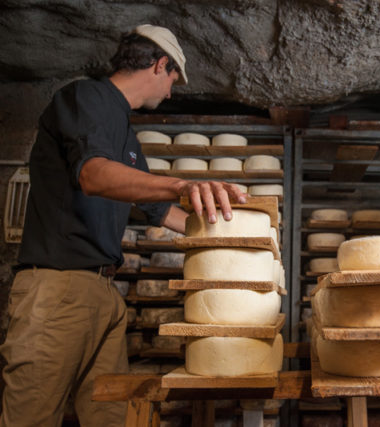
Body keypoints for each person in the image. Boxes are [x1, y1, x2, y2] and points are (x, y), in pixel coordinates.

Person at [0, 24, 246, 426]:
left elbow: (159, 212)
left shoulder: (126, 137)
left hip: (102, 292)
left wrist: (233, 237)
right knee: (31, 417)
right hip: (59, 288)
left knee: (112, 416)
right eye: (173, 80)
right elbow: (93, 175)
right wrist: (182, 184)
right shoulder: (86, 98)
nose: (171, 92)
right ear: (159, 64)